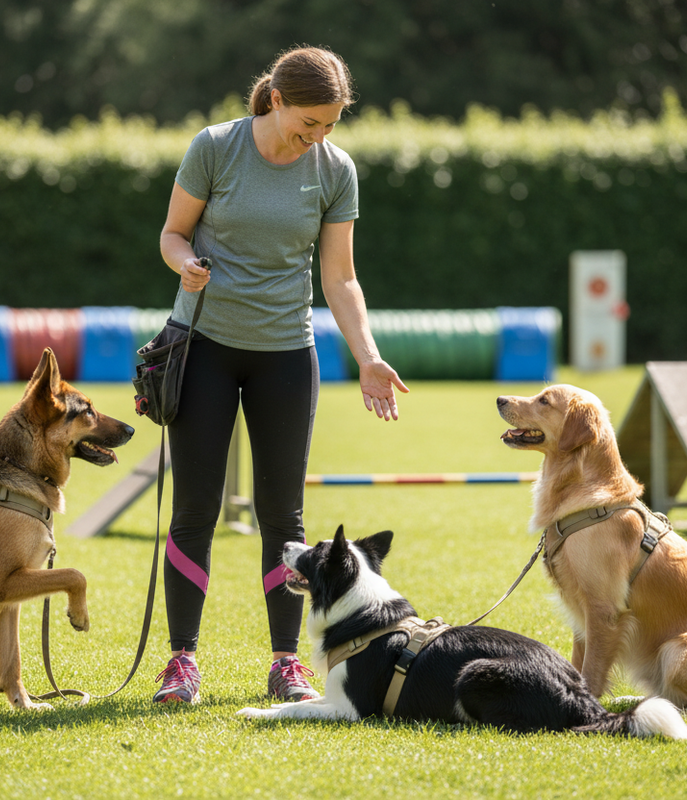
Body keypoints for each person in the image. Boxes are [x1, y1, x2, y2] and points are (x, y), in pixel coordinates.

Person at [152, 45, 408, 704]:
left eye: (330, 125)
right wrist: (185, 263)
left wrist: (369, 355)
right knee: (195, 512)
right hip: (203, 346)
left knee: (283, 520)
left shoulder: (335, 169)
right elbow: (172, 234)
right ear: (276, 101)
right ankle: (182, 664)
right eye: (308, 123)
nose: (317, 138)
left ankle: (286, 663)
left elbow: (340, 276)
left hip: (287, 357)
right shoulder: (215, 148)